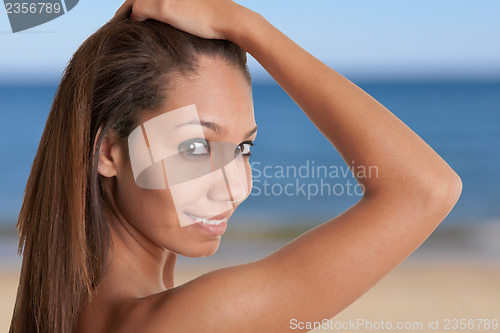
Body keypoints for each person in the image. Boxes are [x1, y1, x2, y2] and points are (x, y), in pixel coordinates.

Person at [10, 1, 462, 332]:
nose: (235, 188)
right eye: (194, 147)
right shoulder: (183, 321)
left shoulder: (59, 311)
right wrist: (247, 24)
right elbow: (425, 189)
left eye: (243, 148)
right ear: (108, 151)